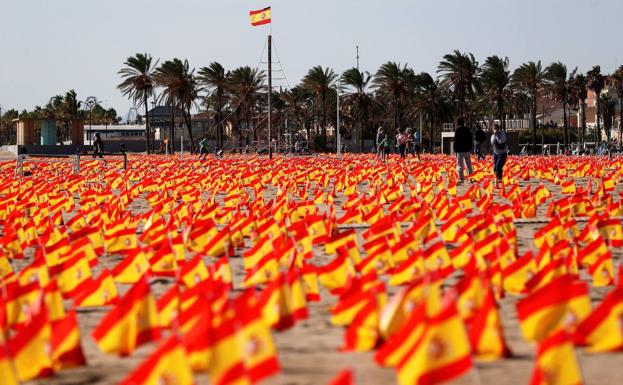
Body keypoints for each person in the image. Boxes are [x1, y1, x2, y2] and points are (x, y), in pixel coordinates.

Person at [453, 117, 473, 183]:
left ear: (458, 123)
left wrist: (455, 149)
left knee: (460, 165)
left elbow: (456, 140)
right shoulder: (467, 129)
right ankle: (471, 176)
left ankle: (461, 178)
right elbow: (470, 139)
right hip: (467, 149)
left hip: (460, 150)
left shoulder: (457, 130)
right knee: (468, 164)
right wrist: (470, 147)